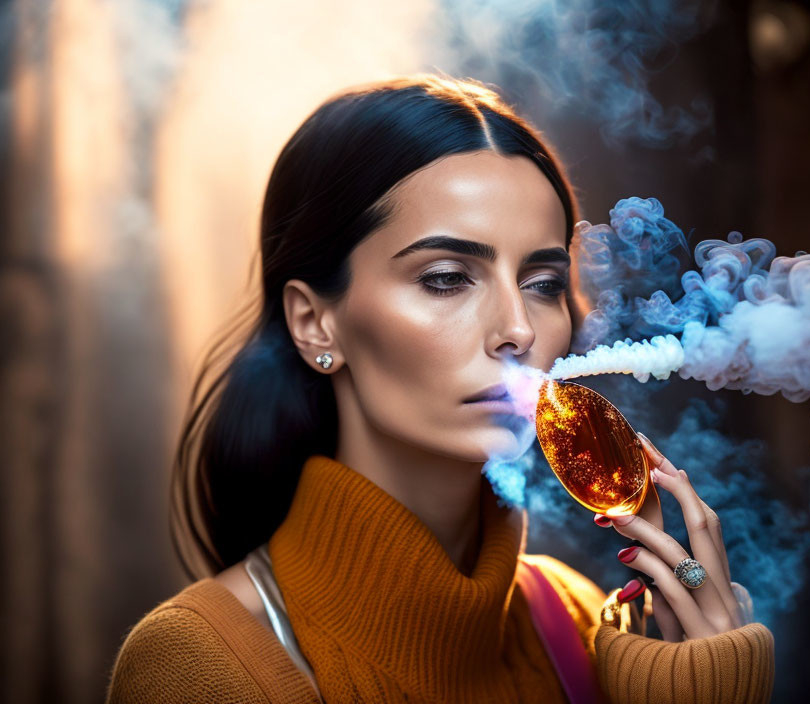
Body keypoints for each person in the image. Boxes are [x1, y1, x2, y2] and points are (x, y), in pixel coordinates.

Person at [105, 74, 774, 703]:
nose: (517, 330)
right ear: (315, 322)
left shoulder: (581, 622)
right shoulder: (198, 664)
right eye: (447, 277)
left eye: (542, 285)